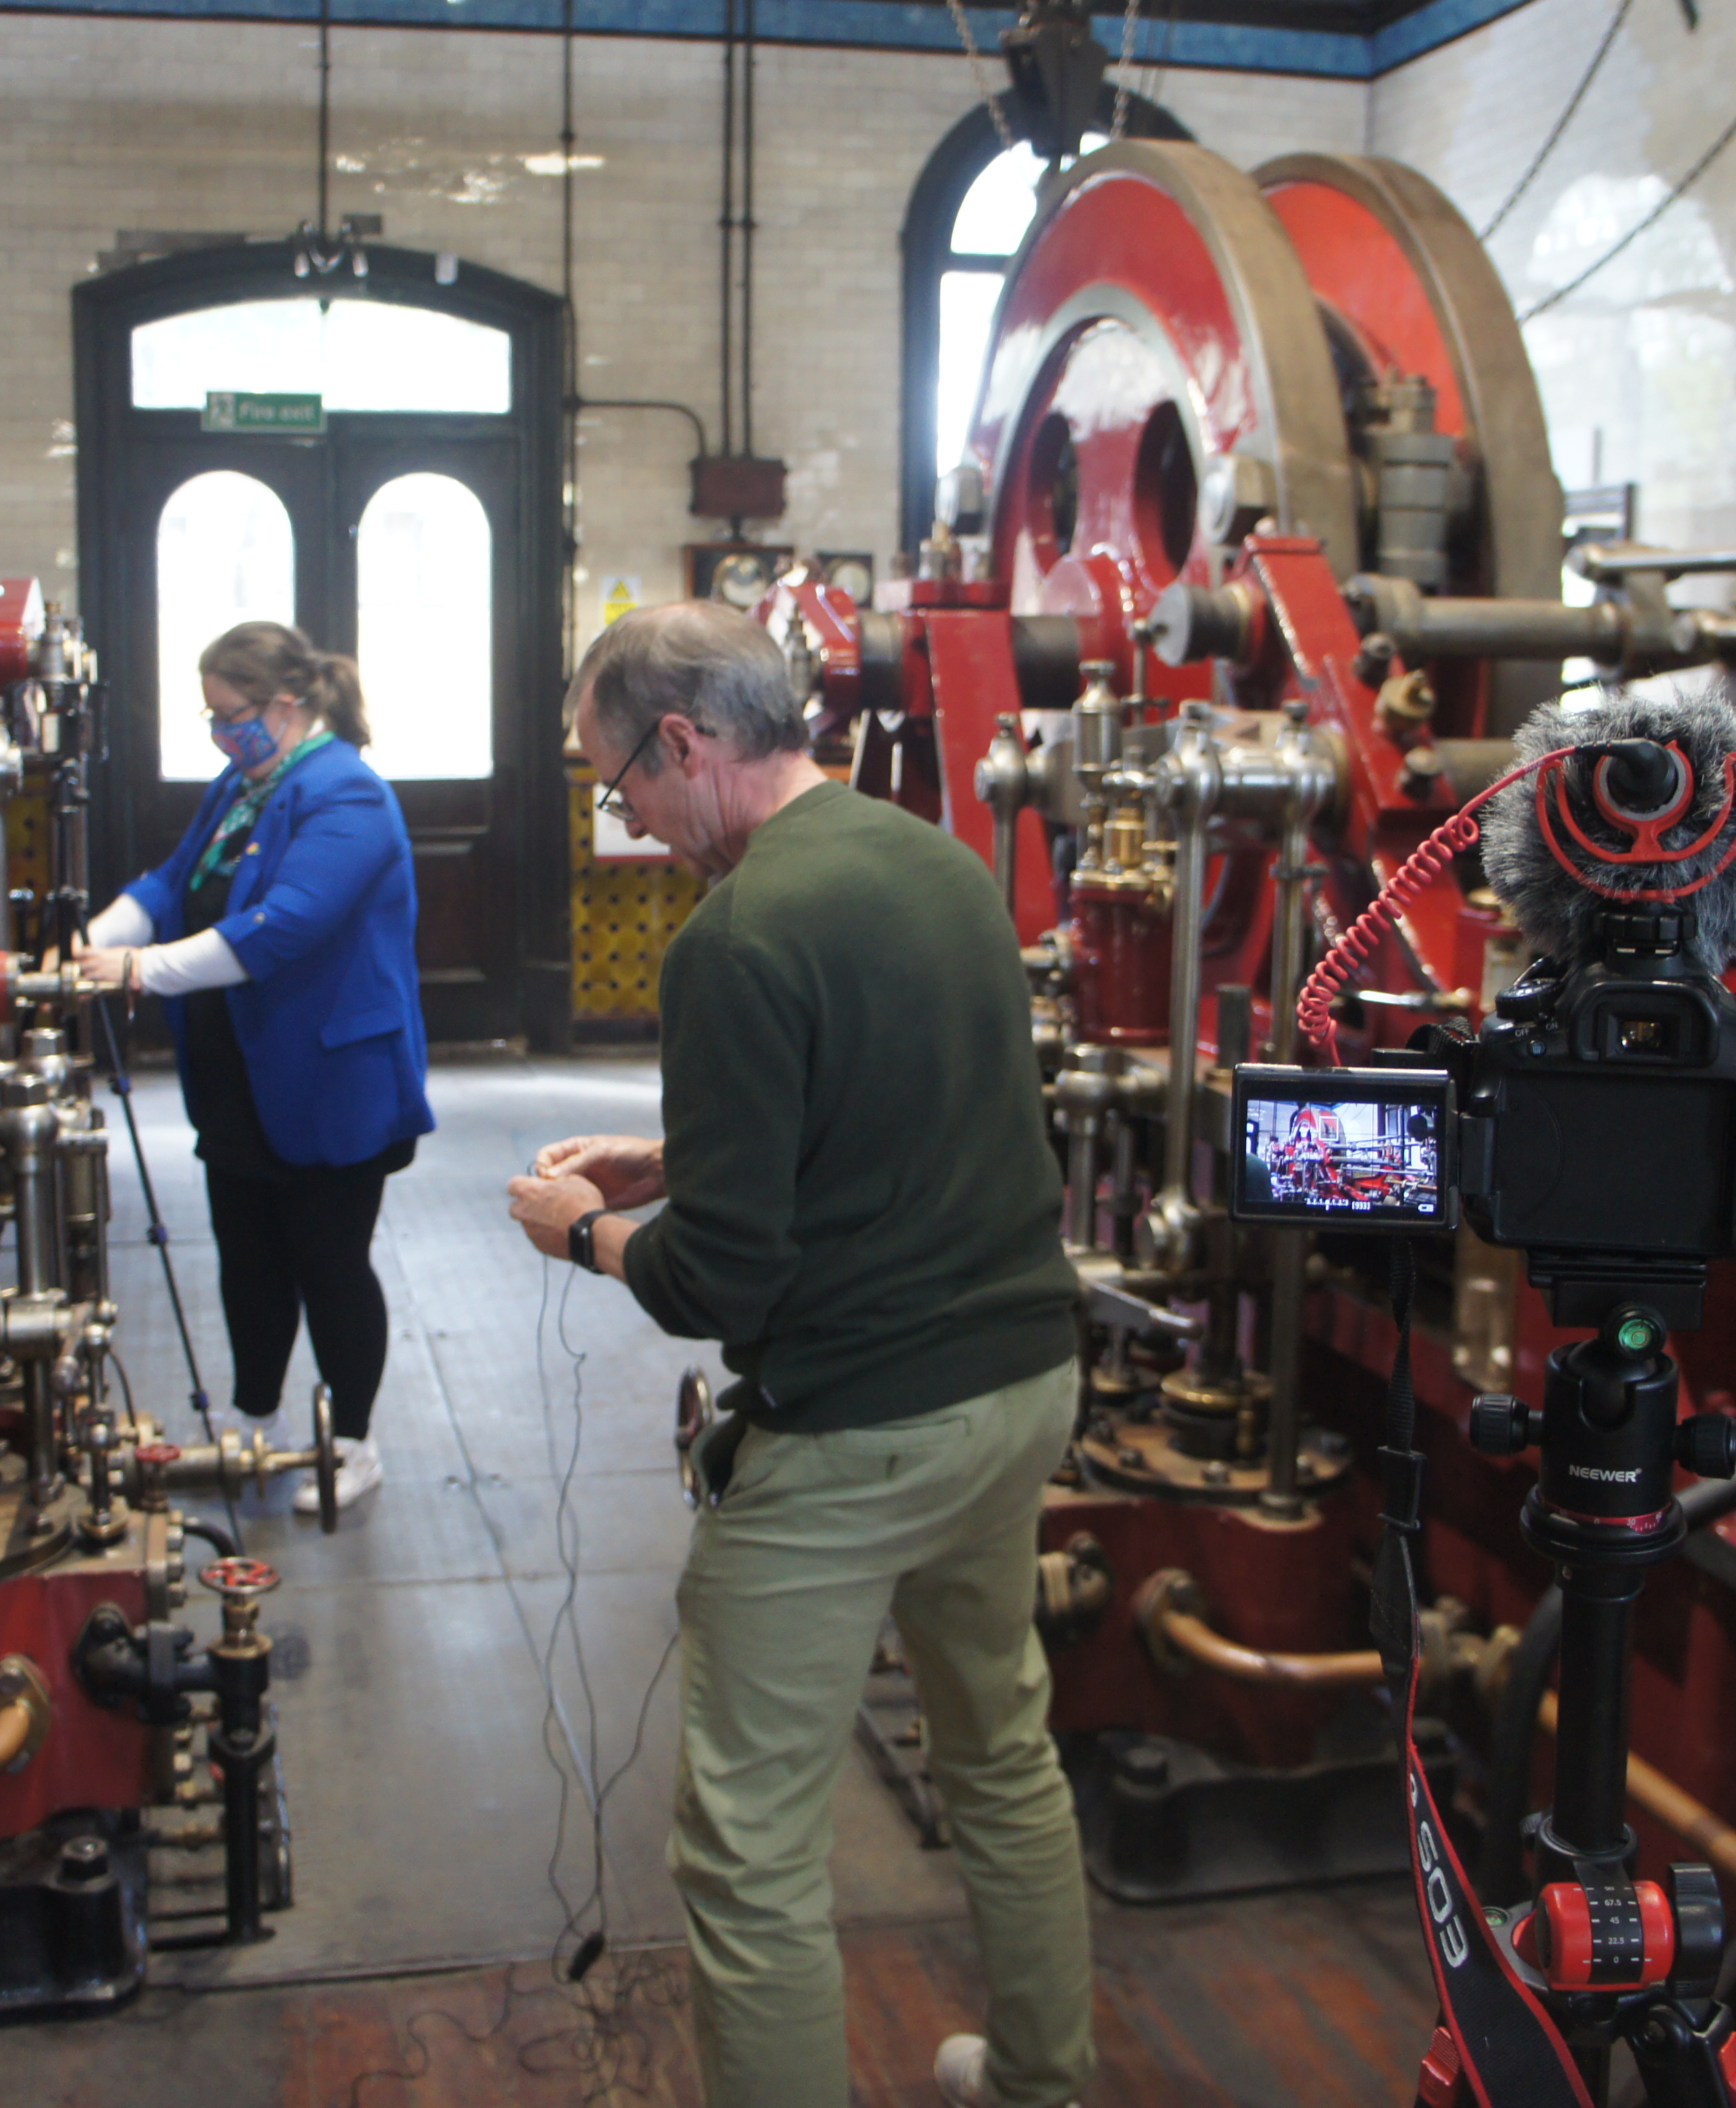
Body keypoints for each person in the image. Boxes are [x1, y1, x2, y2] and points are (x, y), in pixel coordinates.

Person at [503, 602, 1092, 2108]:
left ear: (684, 742)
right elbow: (891, 1111)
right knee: (1002, 1755)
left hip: (859, 1433)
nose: (623, 815)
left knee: (749, 1849)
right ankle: (1040, 2080)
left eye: (617, 780)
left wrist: (581, 1227)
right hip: (1019, 1389)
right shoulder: (940, 866)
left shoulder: (736, 937)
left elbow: (721, 1278)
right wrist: (668, 1153)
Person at [80, 620, 429, 1511]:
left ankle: (352, 1444)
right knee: (248, 1260)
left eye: (228, 714)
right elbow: (169, 884)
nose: (217, 733)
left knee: (329, 1264)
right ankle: (258, 1418)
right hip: (241, 1076)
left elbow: (281, 928)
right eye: (210, 718)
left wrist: (142, 971)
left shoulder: (346, 795)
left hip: (331, 1085)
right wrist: (96, 941)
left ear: (286, 705)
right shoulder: (242, 785)